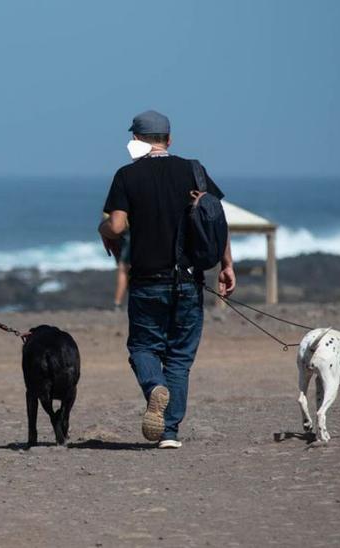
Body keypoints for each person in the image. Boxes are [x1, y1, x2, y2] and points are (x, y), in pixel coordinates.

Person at [98, 110, 236, 450]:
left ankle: (153, 388)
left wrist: (103, 229)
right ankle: (170, 433)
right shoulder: (193, 171)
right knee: (179, 357)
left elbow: (116, 226)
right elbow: (216, 220)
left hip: (147, 280)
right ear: (169, 139)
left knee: (142, 347)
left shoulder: (127, 176)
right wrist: (227, 266)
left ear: (135, 141)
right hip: (189, 281)